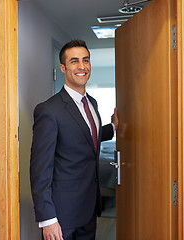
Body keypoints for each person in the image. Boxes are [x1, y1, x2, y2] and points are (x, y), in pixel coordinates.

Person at [30, 39, 119, 240]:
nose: (81, 66)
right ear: (63, 67)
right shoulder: (49, 110)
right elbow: (39, 169)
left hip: (89, 208)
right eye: (74, 61)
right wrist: (48, 219)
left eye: (85, 60)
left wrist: (113, 127)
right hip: (62, 214)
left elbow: (87, 137)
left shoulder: (92, 103)